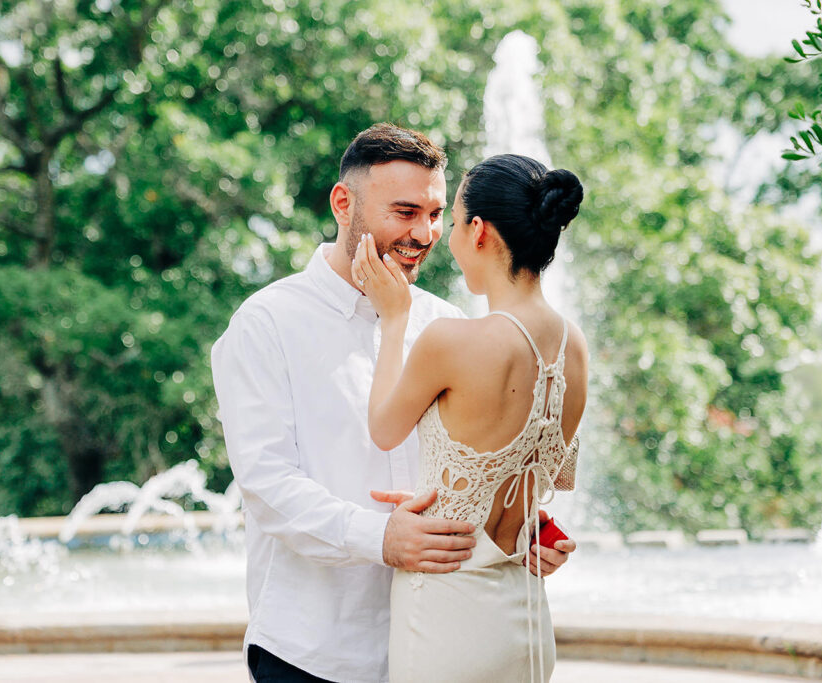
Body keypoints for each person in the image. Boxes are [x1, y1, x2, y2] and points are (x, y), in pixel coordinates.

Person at [210, 124, 576, 683]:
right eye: (405, 212)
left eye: (434, 214)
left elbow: (472, 464)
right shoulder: (267, 323)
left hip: (439, 636)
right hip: (314, 650)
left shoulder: (449, 323)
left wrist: (518, 528)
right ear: (342, 203)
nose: (424, 233)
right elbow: (266, 484)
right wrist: (382, 537)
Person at [352, 153, 588, 683]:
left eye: (452, 220)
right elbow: (547, 479)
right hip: (525, 620)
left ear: (477, 230)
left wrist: (395, 318)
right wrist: (443, 485)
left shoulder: (454, 340)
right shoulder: (575, 346)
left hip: (446, 619)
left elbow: (385, 430)